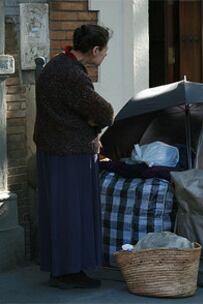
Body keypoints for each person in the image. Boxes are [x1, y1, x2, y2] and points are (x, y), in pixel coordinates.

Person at [34, 24, 114, 288]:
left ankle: (60, 269)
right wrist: (92, 121)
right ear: (94, 50)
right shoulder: (73, 75)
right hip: (72, 153)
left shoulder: (54, 65)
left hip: (51, 149)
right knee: (72, 212)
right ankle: (70, 272)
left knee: (56, 211)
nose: (105, 56)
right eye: (104, 51)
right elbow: (104, 113)